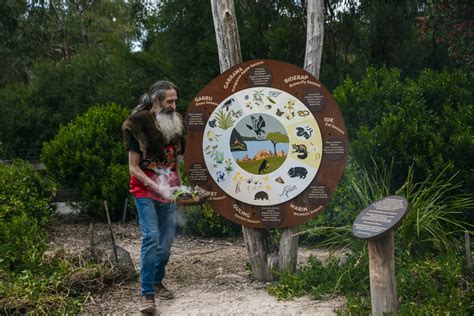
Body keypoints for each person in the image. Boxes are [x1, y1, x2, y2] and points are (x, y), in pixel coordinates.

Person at [122, 80, 186, 313]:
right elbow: (133, 168)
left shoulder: (176, 123)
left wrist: (179, 188)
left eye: (175, 100)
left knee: (166, 243)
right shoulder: (136, 125)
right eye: (170, 101)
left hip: (167, 191)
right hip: (144, 190)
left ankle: (157, 280)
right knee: (151, 237)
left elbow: (175, 162)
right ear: (156, 100)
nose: (173, 105)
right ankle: (147, 295)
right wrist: (157, 188)